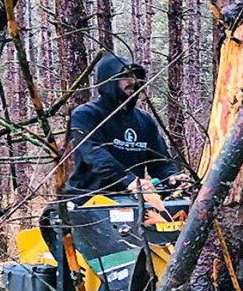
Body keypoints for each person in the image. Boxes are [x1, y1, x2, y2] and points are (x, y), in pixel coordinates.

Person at [66, 53, 184, 198]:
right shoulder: (85, 115)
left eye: (134, 76)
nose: (133, 81)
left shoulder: (144, 120)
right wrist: (129, 180)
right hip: (89, 200)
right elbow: (96, 156)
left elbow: (160, 161)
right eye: (125, 76)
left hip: (132, 201)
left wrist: (172, 177)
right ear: (108, 81)